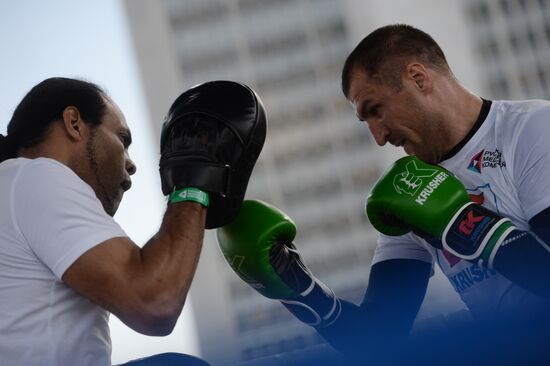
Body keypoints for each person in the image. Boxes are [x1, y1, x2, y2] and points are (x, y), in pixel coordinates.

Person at [217, 24, 550, 365]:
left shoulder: (532, 129)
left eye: (375, 110)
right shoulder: (408, 188)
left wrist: (464, 224)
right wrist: (301, 290)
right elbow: (378, 338)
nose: (379, 136)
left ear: (418, 78)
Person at [0, 77, 266, 366]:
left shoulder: (13, 189)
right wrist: (194, 179)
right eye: (123, 140)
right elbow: (154, 301)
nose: (131, 163)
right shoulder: (36, 178)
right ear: (74, 123)